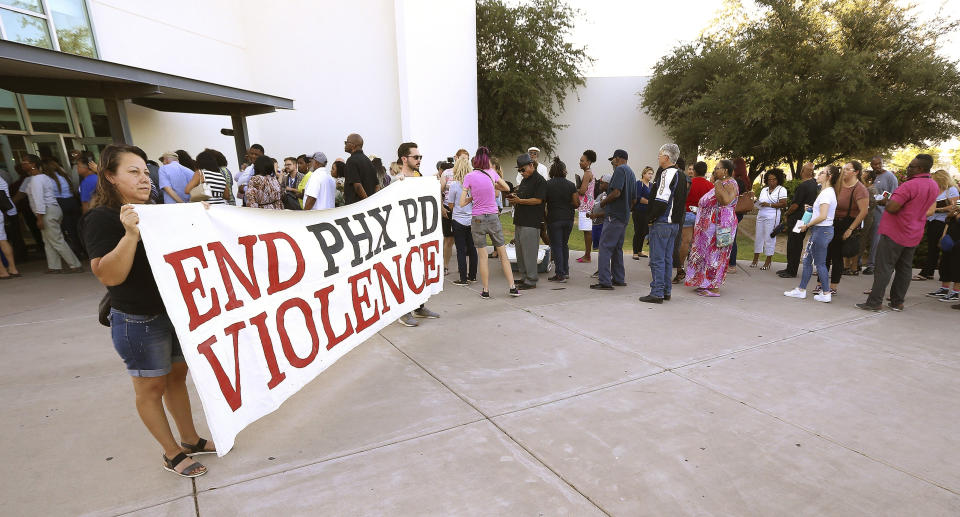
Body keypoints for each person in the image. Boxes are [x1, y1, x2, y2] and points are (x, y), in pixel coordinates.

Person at [81, 144, 216, 478]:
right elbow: (108, 276)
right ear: (109, 177)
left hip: (172, 314)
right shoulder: (101, 219)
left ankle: (190, 439)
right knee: (149, 388)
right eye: (133, 172)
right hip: (138, 320)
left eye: (145, 171)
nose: (144, 179)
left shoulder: (153, 210)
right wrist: (130, 235)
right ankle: (172, 454)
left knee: (176, 378)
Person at [857, 154, 938, 311]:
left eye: (911, 167)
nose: (908, 169)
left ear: (920, 168)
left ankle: (874, 302)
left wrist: (886, 201)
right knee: (905, 269)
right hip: (914, 232)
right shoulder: (933, 185)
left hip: (895, 232)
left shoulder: (909, 185)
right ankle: (897, 302)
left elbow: (892, 207)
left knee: (884, 268)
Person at [460, 146, 520, 299]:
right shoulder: (492, 173)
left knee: (483, 256)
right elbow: (506, 187)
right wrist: (493, 184)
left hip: (477, 218)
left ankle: (486, 290)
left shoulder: (469, 177)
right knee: (503, 254)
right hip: (493, 216)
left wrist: (471, 198)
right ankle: (512, 287)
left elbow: (461, 203)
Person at [394, 142, 441, 327]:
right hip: (403, 236)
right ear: (404, 159)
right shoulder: (397, 180)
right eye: (416, 157)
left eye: (420, 157)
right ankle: (404, 312)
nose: (419, 160)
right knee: (405, 273)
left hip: (419, 234)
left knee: (419, 271)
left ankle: (419, 306)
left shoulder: (418, 177)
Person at [784, 166, 840, 302]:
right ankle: (802, 290)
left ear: (830, 176)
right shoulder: (825, 192)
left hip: (821, 231)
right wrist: (810, 209)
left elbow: (823, 216)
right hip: (820, 231)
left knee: (820, 263)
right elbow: (821, 213)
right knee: (808, 260)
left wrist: (807, 225)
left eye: (822, 173)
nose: (818, 174)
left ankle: (826, 293)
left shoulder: (827, 193)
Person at [683, 160, 739, 296]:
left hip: (721, 227)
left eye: (717, 168)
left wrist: (718, 183)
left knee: (717, 256)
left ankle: (714, 287)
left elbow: (725, 201)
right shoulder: (723, 183)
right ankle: (706, 283)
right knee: (708, 255)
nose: (714, 171)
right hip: (710, 228)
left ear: (725, 171)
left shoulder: (730, 183)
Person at [639, 144, 687, 303]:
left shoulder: (667, 174)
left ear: (666, 157)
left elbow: (661, 201)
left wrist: (651, 218)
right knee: (666, 259)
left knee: (657, 259)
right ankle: (666, 290)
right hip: (674, 224)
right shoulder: (681, 175)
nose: (658, 157)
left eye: (660, 155)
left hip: (663, 222)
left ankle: (657, 292)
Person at [20, 155, 83, 273]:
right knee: (48, 241)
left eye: (25, 162)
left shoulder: (36, 180)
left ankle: (75, 265)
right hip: (52, 210)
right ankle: (54, 266)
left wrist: (39, 218)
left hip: (46, 212)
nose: (22, 165)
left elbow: (39, 200)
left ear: (33, 164)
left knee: (56, 239)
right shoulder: (43, 177)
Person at [823, 161, 869, 296]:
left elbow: (863, 211)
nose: (844, 171)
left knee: (836, 256)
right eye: (844, 169)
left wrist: (850, 229)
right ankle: (821, 284)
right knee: (825, 255)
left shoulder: (860, 189)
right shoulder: (838, 184)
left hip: (845, 223)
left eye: (848, 169)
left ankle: (833, 286)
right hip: (831, 221)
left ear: (856, 172)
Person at [591, 149, 636, 290]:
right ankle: (618, 278)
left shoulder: (620, 170)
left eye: (613, 159)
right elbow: (634, 199)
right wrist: (626, 209)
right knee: (617, 248)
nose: (612, 162)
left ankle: (605, 281)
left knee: (605, 246)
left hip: (613, 215)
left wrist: (604, 203)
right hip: (624, 216)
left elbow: (616, 192)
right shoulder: (632, 173)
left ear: (618, 158)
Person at [507, 153, 548, 289]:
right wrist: (514, 198)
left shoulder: (539, 180)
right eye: (519, 170)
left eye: (522, 169)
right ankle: (524, 277)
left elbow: (538, 200)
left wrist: (520, 200)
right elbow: (522, 197)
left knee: (529, 253)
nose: (521, 172)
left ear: (531, 165)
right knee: (520, 253)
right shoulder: (524, 181)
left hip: (531, 222)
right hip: (520, 220)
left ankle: (531, 280)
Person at [675, 161, 714, 282]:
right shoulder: (710, 186)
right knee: (698, 245)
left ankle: (680, 270)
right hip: (702, 217)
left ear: (695, 171)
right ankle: (696, 273)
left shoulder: (688, 183)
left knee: (684, 243)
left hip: (687, 214)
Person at [778, 162, 818, 278]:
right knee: (796, 243)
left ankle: (791, 270)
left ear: (804, 171)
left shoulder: (804, 185)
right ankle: (789, 267)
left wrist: (787, 213)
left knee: (794, 244)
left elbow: (795, 205)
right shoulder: (813, 184)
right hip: (805, 217)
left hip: (798, 219)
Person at [917, 170, 958, 281]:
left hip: (942, 221)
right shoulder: (935, 191)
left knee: (939, 247)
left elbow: (955, 207)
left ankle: (929, 272)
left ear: (941, 179)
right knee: (932, 247)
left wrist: (938, 209)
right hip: (931, 220)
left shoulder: (951, 190)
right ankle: (929, 271)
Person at [544, 157, 579, 282]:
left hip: (554, 219)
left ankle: (560, 274)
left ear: (552, 171)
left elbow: (543, 202)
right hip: (568, 219)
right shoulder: (571, 185)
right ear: (564, 171)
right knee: (564, 244)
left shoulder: (547, 185)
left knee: (556, 246)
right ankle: (565, 271)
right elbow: (576, 204)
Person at [863, 156, 899, 275]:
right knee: (863, 237)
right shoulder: (869, 176)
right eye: (874, 164)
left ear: (882, 163)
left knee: (875, 239)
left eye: (879, 164)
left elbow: (895, 197)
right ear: (871, 165)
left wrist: (883, 200)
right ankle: (856, 264)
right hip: (866, 212)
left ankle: (872, 265)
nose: (877, 166)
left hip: (881, 212)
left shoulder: (890, 177)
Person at [42, 158, 84, 258]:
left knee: (68, 230)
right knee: (77, 228)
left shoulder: (48, 179)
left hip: (61, 203)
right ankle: (84, 249)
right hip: (72, 202)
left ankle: (77, 252)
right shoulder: (64, 176)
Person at [446, 156, 477, 286]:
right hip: (472, 219)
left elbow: (451, 204)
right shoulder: (473, 183)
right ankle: (473, 276)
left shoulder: (454, 184)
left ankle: (463, 278)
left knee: (460, 250)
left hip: (458, 219)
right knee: (472, 248)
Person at [750, 169, 788, 270]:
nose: (771, 182)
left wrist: (769, 204)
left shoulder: (781, 189)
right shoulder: (764, 190)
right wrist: (756, 203)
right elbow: (762, 202)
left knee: (769, 238)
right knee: (758, 237)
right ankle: (755, 259)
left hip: (772, 216)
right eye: (769, 179)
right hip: (761, 215)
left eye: (774, 179)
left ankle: (768, 261)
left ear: (778, 179)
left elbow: (784, 204)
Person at [729, 157, 752, 273]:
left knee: (731, 238)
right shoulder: (744, 180)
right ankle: (731, 263)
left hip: (734, 212)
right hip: (739, 212)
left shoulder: (737, 181)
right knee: (732, 236)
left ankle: (732, 264)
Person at [343, 133, 379, 204]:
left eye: (346, 142)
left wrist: (366, 203)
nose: (345, 144)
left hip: (356, 207)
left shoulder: (351, 161)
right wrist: (372, 202)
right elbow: (377, 186)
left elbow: (357, 186)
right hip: (367, 208)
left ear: (353, 145)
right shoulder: (369, 161)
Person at [576, 150, 597, 263]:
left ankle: (587, 256)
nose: (580, 162)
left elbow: (583, 191)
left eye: (582, 161)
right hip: (587, 205)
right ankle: (586, 254)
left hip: (585, 206)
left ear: (588, 162)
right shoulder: (589, 173)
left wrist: (574, 189)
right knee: (586, 230)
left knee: (587, 231)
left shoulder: (587, 173)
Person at [631, 166, 654, 260]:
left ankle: (640, 251)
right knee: (638, 231)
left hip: (648, 212)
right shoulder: (639, 184)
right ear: (644, 174)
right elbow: (637, 197)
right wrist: (649, 202)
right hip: (638, 211)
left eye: (652, 174)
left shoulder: (652, 185)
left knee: (644, 231)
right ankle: (635, 252)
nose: (651, 176)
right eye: (649, 173)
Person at [0, 173, 20, 278]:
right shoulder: (1, 180)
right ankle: (13, 269)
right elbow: (5, 197)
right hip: (0, 213)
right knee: (3, 240)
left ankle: (2, 271)